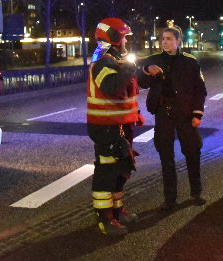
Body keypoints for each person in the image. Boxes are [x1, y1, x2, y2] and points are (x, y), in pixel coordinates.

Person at [137, 26, 207, 211]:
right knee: (166, 156)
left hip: (185, 113)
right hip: (163, 112)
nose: (165, 42)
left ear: (178, 41)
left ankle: (196, 193)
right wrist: (146, 70)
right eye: (163, 39)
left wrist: (197, 113)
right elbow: (141, 82)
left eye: (169, 38)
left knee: (192, 151)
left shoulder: (190, 62)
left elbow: (200, 90)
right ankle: (170, 199)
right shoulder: (153, 60)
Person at [87, 18, 144, 236]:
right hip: (106, 127)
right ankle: (104, 218)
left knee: (121, 170)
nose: (127, 42)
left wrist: (134, 113)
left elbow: (124, 94)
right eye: (125, 37)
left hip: (120, 125)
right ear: (114, 38)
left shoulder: (115, 61)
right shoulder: (103, 62)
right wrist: (128, 69)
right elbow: (111, 88)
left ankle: (117, 210)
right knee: (107, 172)